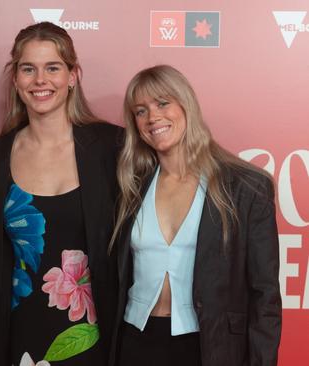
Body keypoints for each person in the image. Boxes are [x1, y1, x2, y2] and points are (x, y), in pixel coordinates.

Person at [110, 64, 282, 366]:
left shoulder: (245, 186)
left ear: (185, 105)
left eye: (163, 103)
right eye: (140, 111)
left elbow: (265, 295)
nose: (153, 117)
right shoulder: (130, 185)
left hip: (209, 347)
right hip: (135, 343)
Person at [0, 22, 123, 366]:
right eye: (28, 69)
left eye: (53, 68)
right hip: (21, 338)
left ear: (73, 75)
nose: (40, 80)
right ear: (15, 79)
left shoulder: (112, 148)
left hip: (95, 336)